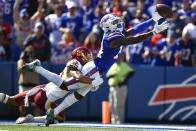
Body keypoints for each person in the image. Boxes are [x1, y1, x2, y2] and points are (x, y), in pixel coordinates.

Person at [24, 11, 169, 125]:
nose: (119, 22)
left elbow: (134, 30)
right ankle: (38, 67)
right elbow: (131, 40)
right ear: (109, 25)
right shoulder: (110, 37)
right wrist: (153, 33)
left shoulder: (114, 33)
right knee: (65, 85)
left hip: (97, 70)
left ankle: (51, 114)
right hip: (94, 69)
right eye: (115, 21)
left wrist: (153, 20)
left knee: (78, 96)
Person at [18, 47, 103, 125]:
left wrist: (92, 84)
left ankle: (33, 119)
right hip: (59, 87)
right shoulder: (75, 62)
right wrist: (92, 81)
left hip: (61, 87)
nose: (89, 59)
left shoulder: (85, 67)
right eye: (87, 56)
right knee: (65, 88)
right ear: (81, 55)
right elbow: (78, 76)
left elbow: (86, 85)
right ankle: (37, 68)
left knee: (77, 97)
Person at [106, 50, 134, 124]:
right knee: (112, 105)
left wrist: (124, 79)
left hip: (120, 87)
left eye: (120, 56)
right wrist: (112, 75)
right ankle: (113, 121)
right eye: (118, 56)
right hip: (112, 87)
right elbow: (107, 76)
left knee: (118, 105)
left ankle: (119, 122)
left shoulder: (124, 65)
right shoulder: (113, 65)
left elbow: (131, 72)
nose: (119, 58)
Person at [17, 45, 41, 119]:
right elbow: (20, 71)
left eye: (31, 52)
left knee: (37, 104)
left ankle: (37, 120)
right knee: (22, 104)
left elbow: (36, 70)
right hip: (24, 85)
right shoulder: (21, 61)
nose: (29, 53)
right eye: (27, 52)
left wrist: (31, 61)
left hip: (34, 86)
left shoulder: (37, 61)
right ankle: (22, 119)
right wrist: (22, 60)